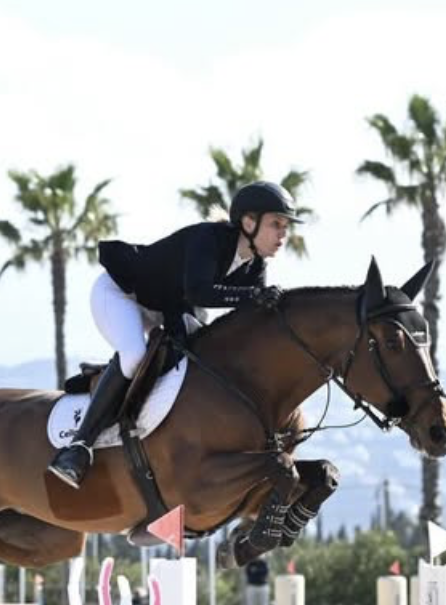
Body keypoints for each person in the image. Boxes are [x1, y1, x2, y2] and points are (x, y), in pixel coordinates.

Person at [47, 181, 300, 489]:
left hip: (164, 307)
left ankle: (108, 384)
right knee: (134, 355)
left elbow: (247, 316)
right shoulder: (209, 238)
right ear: (249, 222)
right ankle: (78, 448)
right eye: (276, 224)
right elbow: (199, 291)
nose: (283, 235)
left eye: (286, 226)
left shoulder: (254, 267)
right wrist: (253, 296)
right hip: (121, 293)